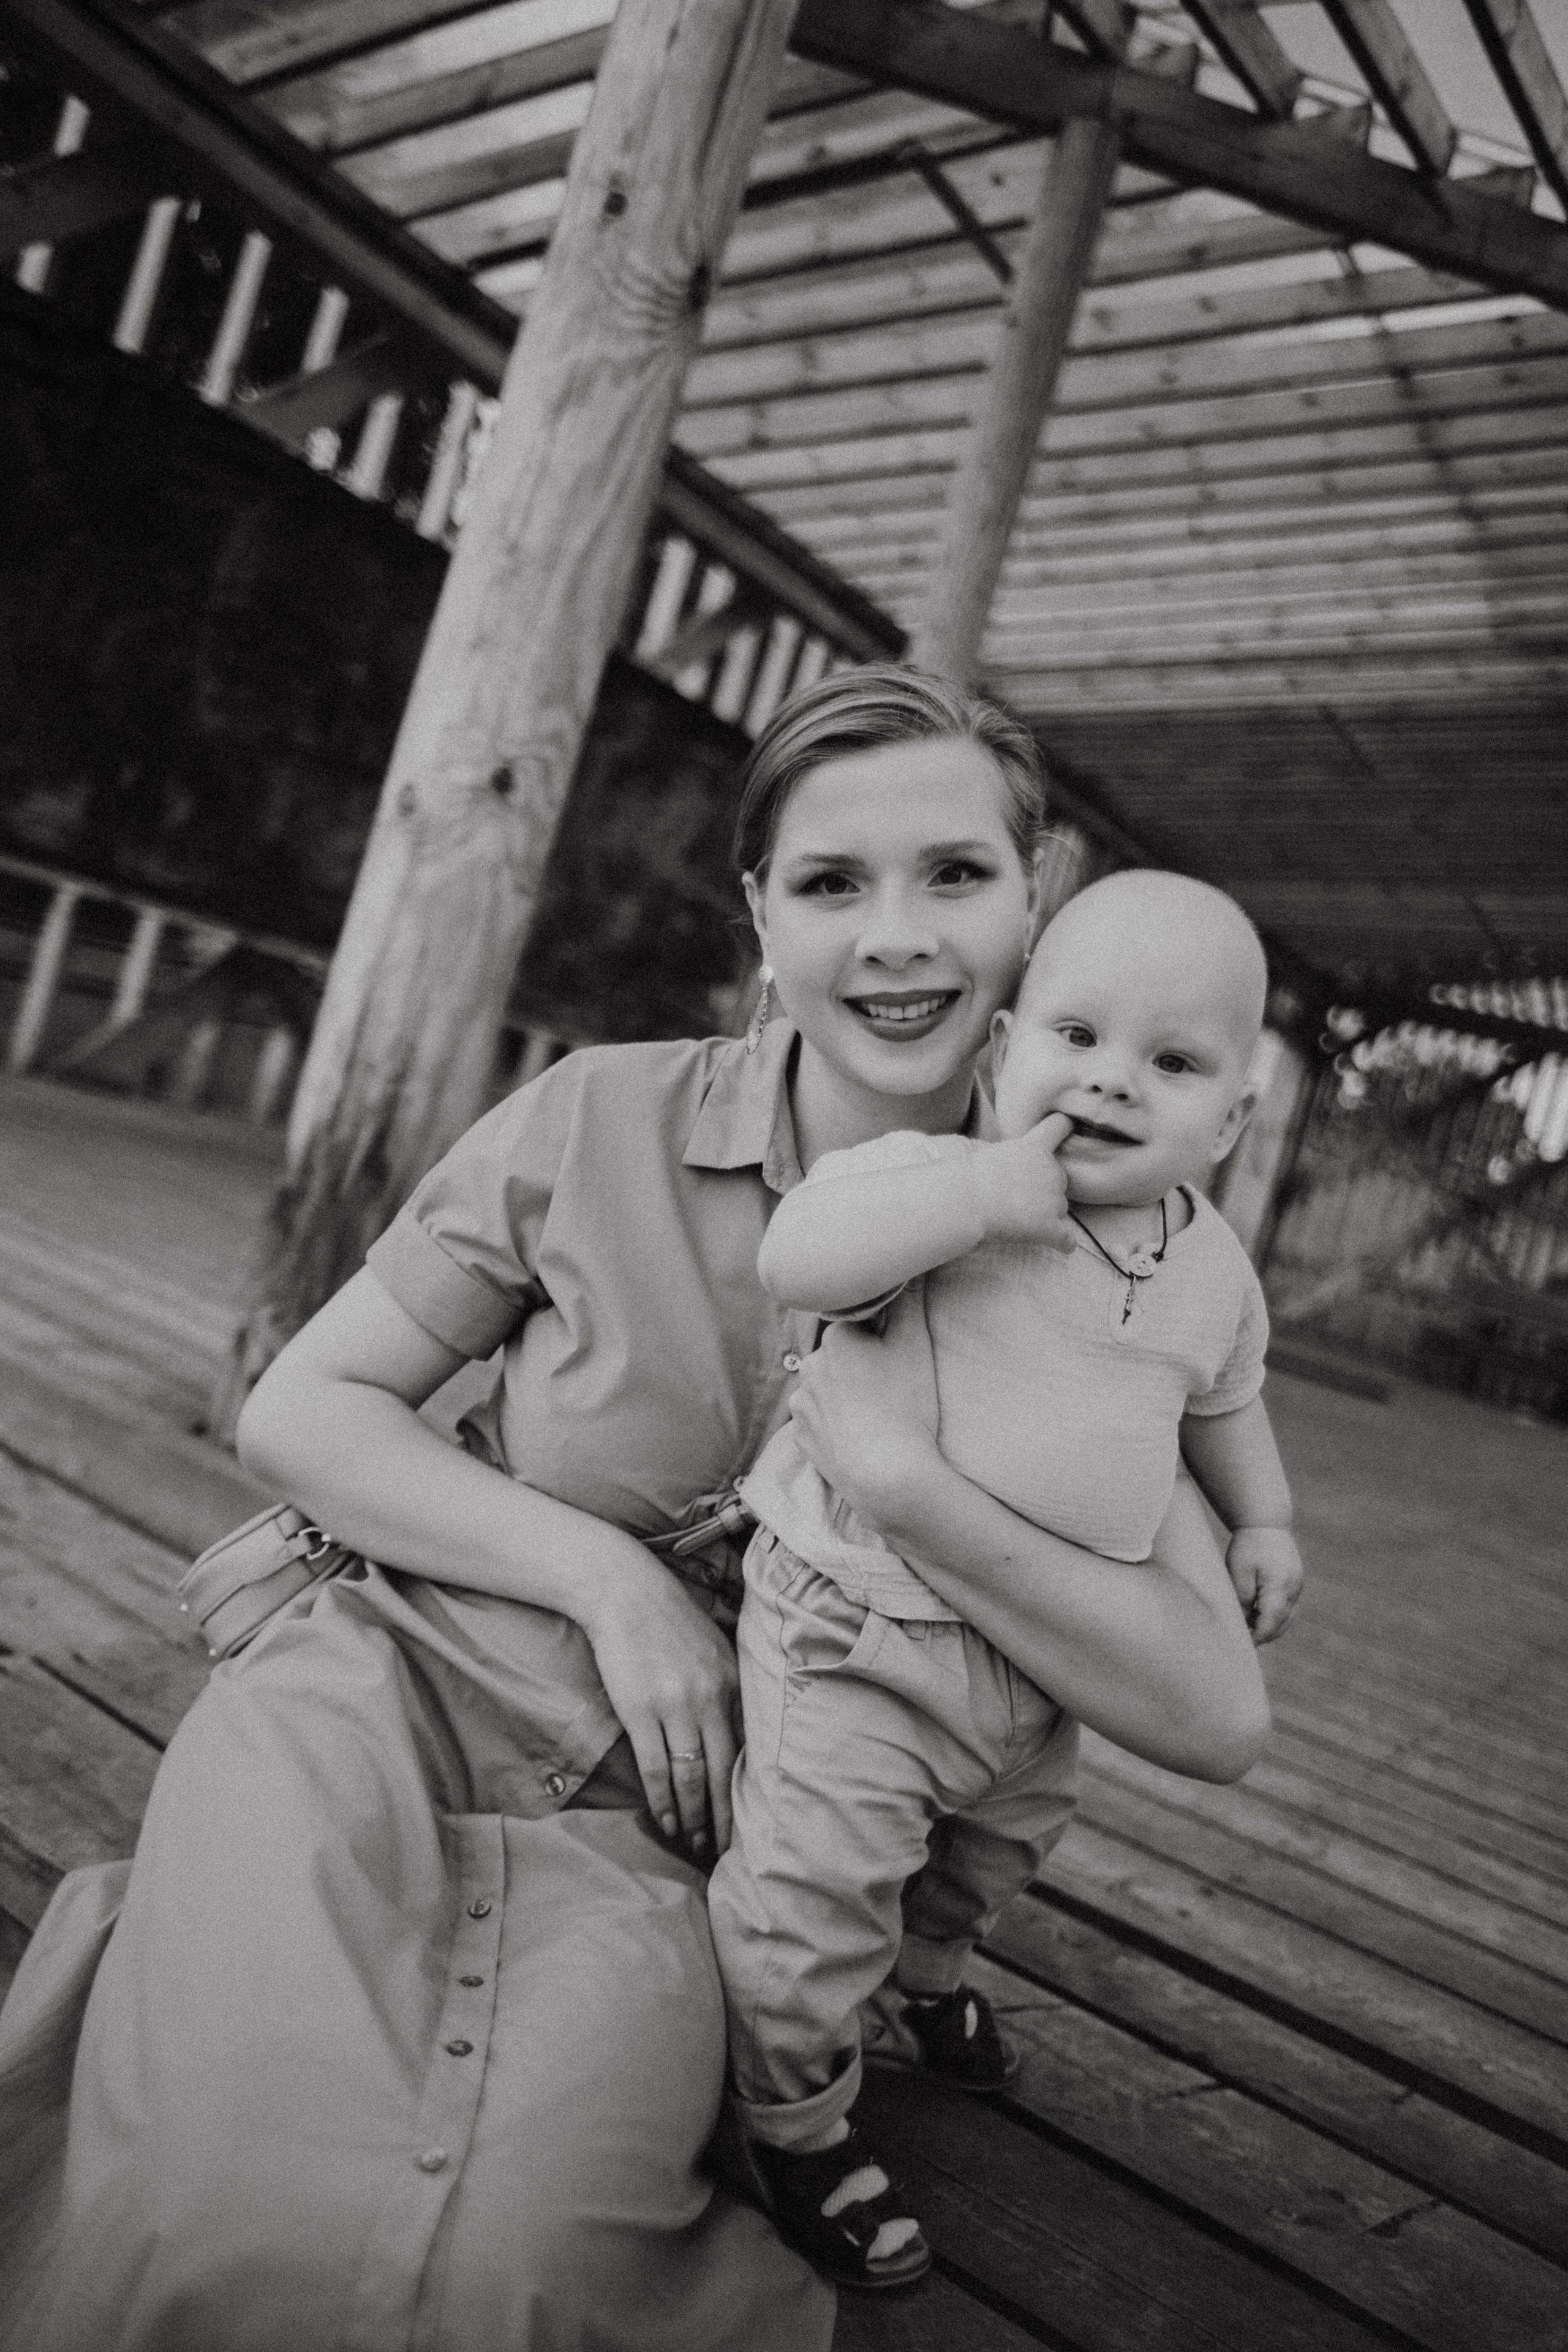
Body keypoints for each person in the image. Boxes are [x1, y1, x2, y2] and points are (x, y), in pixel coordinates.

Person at [0, 665, 1267, 2352]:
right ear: (762, 913)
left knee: (504, 2265)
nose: (895, 937)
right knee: (216, 2198)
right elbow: (303, 1409)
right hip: (391, 1698)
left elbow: (1211, 1707)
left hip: (692, 1844)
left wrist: (903, 1486)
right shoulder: (600, 1114)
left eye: (954, 877)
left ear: (1036, 903)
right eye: (831, 884)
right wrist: (608, 1577)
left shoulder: (1122, 1244)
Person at [706, 866, 1302, 2290]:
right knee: (811, 1889)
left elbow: (1223, 1406)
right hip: (856, 1627)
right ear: (1002, 1048)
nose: (1106, 1084)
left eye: (1167, 1064)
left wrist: (1264, 1523)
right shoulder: (927, 1183)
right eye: (1075, 1037)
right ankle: (791, 2120)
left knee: (996, 1845)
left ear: (1225, 1124)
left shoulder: (1212, 1270)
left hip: (1038, 1657)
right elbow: (800, 1253)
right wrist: (978, 1193)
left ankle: (927, 1981)